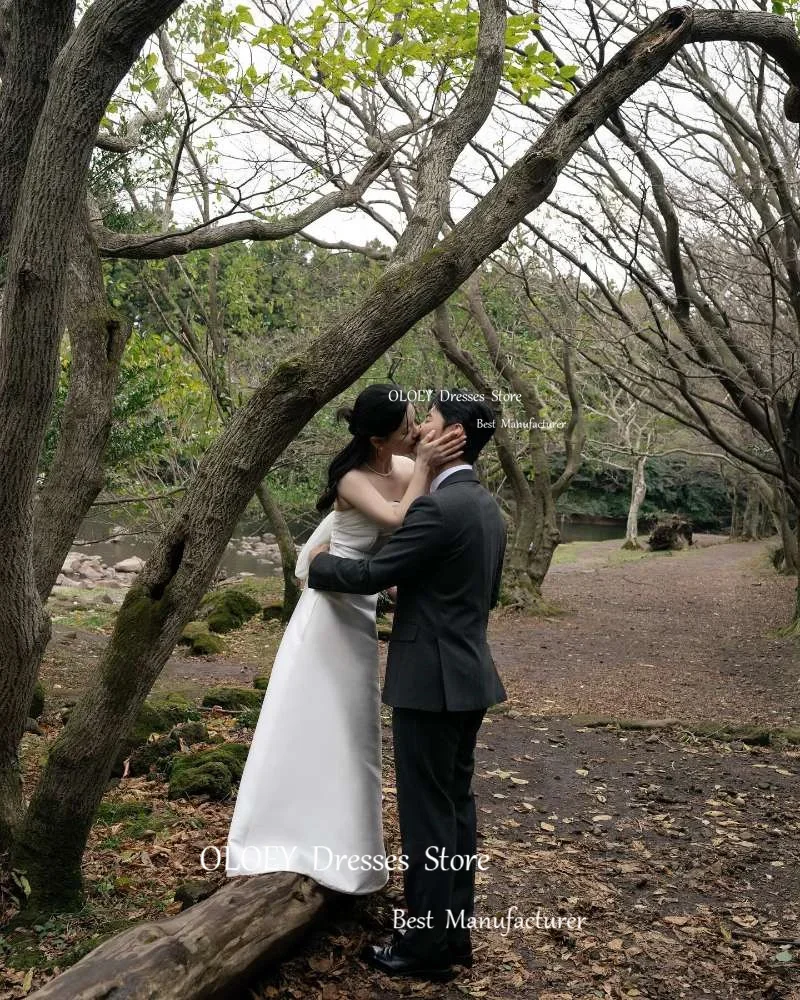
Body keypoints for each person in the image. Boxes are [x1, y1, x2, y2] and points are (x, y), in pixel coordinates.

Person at [225, 383, 466, 893]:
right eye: (407, 427)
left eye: (417, 422)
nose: (417, 431)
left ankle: (349, 845)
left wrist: (431, 451)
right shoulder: (353, 479)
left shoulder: (401, 463)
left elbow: (420, 514)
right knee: (314, 717)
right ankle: (282, 832)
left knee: (353, 726)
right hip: (330, 610)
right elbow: (402, 519)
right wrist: (423, 464)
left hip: (359, 607)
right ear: (380, 440)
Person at [308, 388, 508, 981]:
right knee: (455, 815)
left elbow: (373, 572)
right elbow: (467, 589)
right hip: (468, 678)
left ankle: (423, 948)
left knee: (427, 820)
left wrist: (317, 565)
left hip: (430, 683)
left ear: (456, 439)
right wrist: (414, 593)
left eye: (434, 425)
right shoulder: (484, 506)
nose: (422, 432)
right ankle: (451, 937)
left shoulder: (437, 507)